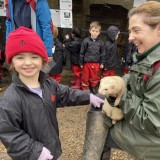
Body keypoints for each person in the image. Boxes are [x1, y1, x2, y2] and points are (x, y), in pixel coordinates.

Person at [0, 27, 105, 160]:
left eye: (34, 57)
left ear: (42, 60)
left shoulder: (48, 84)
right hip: (31, 156)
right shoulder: (10, 99)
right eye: (20, 57)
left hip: (52, 149)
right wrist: (35, 151)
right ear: (12, 62)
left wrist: (89, 96)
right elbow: (9, 133)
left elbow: (67, 94)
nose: (28, 63)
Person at [82, 1, 160, 160]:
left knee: (100, 127)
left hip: (154, 132)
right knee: (99, 104)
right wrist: (116, 84)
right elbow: (132, 78)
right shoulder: (148, 57)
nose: (130, 37)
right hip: (151, 126)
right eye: (129, 31)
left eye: (136, 30)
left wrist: (121, 97)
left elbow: (151, 121)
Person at [79, 21, 105, 94]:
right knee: (85, 77)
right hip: (86, 63)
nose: (94, 33)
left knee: (94, 77)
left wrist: (102, 62)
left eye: (97, 31)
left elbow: (103, 53)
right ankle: (85, 90)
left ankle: (93, 87)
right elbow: (82, 52)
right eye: (93, 30)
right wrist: (81, 62)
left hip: (96, 63)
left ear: (99, 32)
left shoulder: (101, 42)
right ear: (90, 31)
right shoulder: (86, 41)